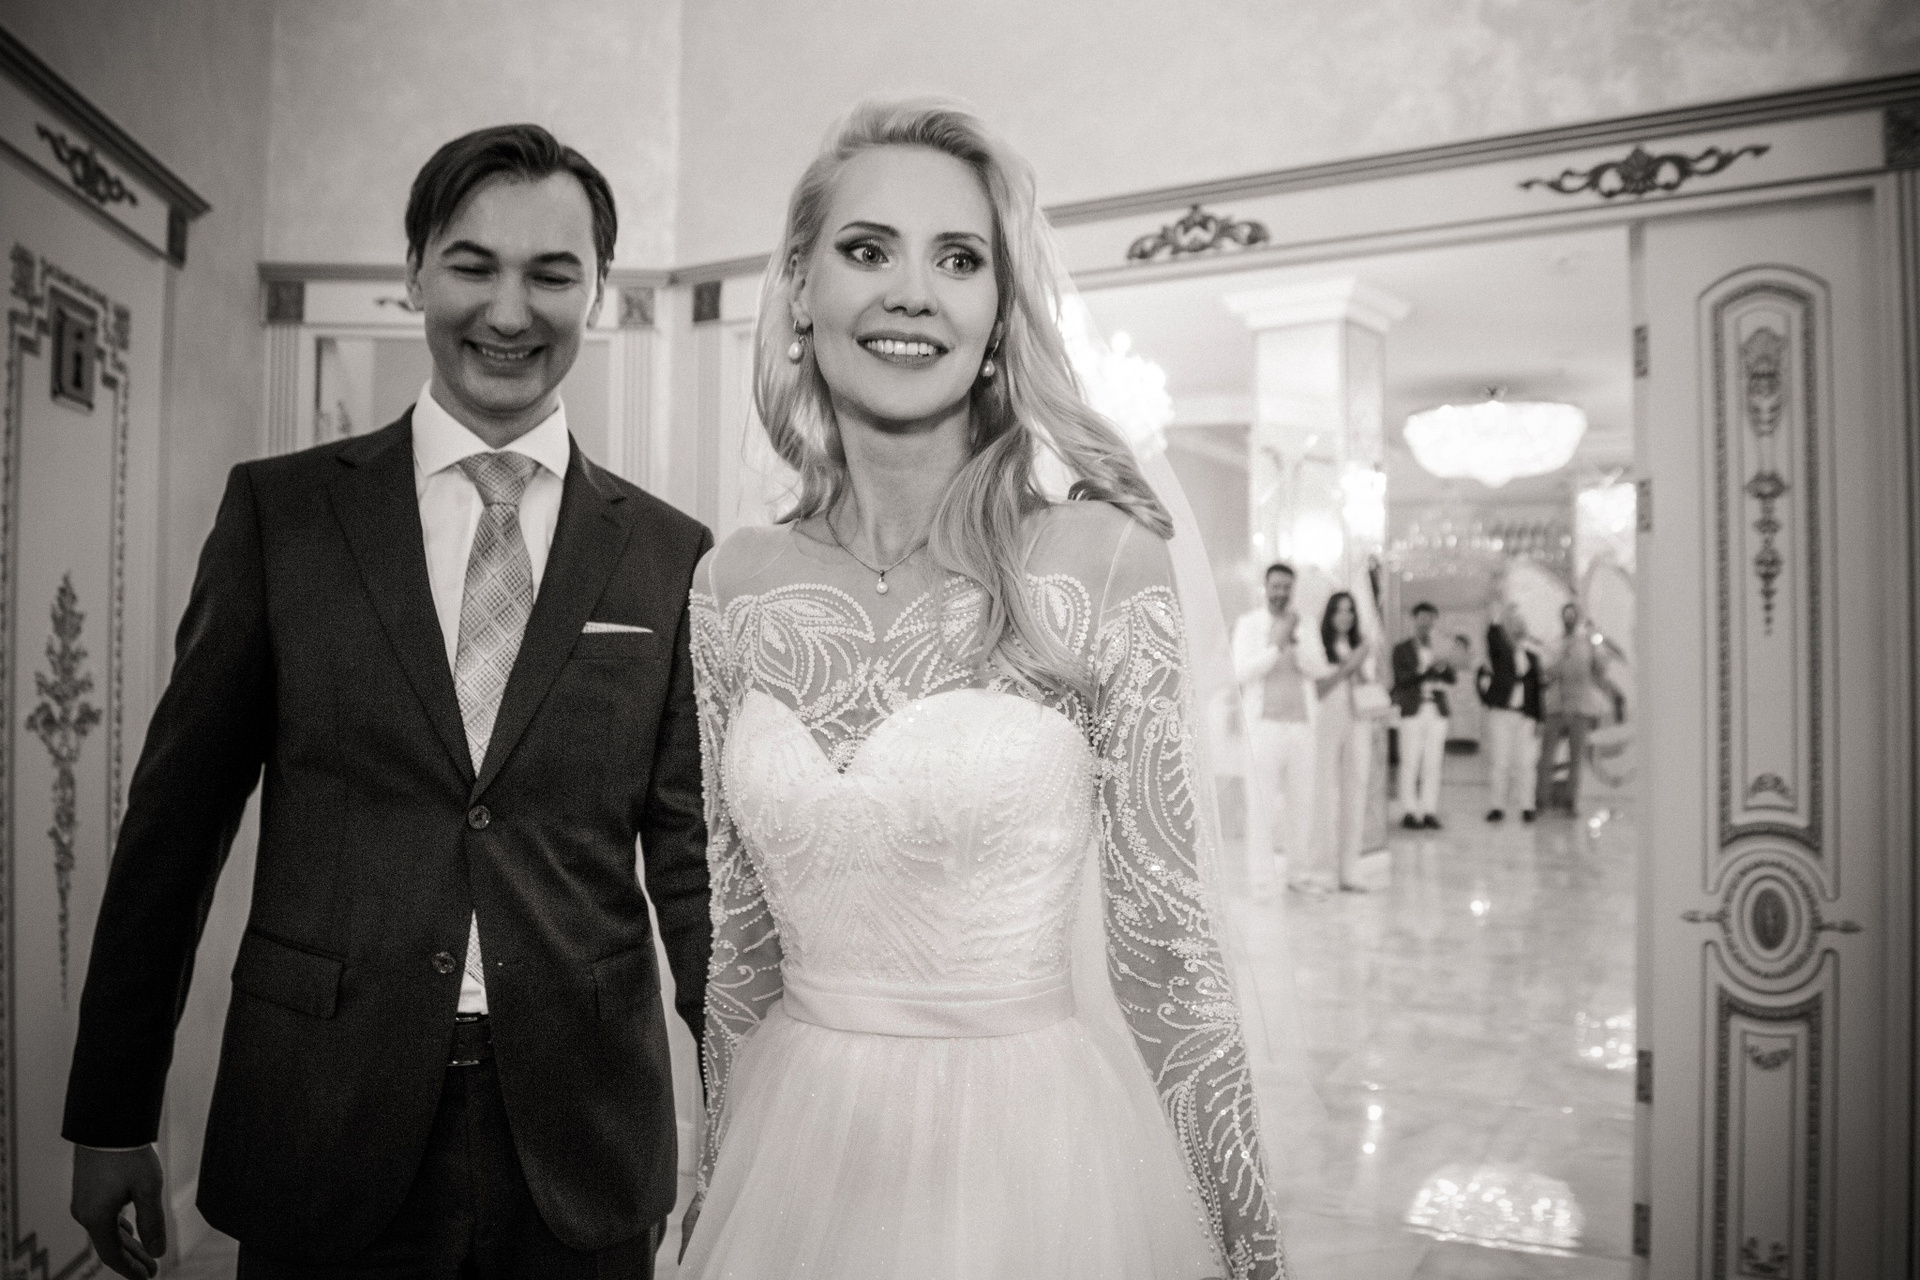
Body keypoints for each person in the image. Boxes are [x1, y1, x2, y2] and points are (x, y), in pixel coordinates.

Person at [63, 126, 711, 1280]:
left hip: (585, 1132)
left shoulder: (670, 553)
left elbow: (694, 865)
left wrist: (754, 1097)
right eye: (472, 264)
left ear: (598, 292)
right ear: (413, 271)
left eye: (551, 273)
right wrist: (111, 1110)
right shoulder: (281, 517)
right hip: (319, 1110)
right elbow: (174, 829)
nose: (508, 310)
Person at [680, 99, 1287, 1278]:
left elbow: (1168, 954)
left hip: (1033, 1174)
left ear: (1000, 311)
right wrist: (717, 1183)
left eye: (958, 259)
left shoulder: (1102, 561)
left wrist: (1247, 1246)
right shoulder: (732, 585)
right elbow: (739, 949)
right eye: (869, 250)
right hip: (793, 1168)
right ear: (800, 286)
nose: (913, 292)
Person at [1232, 562, 1318, 894]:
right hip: (1264, 726)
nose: (1281, 593)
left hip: (1301, 726)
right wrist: (1276, 647)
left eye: (1286, 587)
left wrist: (1297, 640)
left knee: (1302, 805)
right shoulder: (1249, 624)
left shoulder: (1305, 623)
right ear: (1265, 588)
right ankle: (1262, 880)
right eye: (1275, 586)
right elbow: (1241, 672)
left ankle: (1299, 875)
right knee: (1261, 806)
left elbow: (1316, 668)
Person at [1306, 591, 1379, 891]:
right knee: (1324, 793)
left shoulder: (1361, 646)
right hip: (1327, 719)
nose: (1345, 616)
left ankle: (1350, 869)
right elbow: (1317, 689)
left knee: (1356, 789)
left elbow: (1370, 685)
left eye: (1350, 610)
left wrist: (1360, 664)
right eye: (1339, 610)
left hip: (1358, 720)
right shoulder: (1318, 647)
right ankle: (1322, 870)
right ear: (1330, 614)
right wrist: (1348, 666)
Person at [1390, 601, 1456, 830]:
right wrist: (1428, 670)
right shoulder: (1402, 649)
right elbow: (1402, 680)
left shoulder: (1440, 648)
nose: (1426, 624)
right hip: (1412, 710)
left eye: (1430, 619)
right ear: (1414, 620)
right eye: (1422, 618)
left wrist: (1442, 667)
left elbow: (1451, 678)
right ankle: (1409, 810)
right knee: (1409, 761)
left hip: (1436, 710)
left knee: (1433, 762)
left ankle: (1429, 810)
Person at [1481, 603, 1543, 822]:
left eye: (1520, 627)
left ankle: (1527, 805)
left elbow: (1537, 690)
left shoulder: (1532, 657)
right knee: (1500, 761)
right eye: (1513, 627)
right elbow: (1493, 637)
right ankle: (1497, 806)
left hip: (1525, 716)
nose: (1517, 630)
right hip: (1502, 713)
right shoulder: (1501, 653)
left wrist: (1539, 718)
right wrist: (1497, 615)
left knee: (1526, 763)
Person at [1539, 600, 1602, 814]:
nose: (1569, 619)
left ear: (1578, 618)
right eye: (1566, 615)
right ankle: (1542, 800)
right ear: (1561, 618)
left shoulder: (1587, 644)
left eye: (1573, 615)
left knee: (1576, 759)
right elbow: (1546, 672)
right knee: (1546, 757)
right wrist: (1562, 657)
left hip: (1581, 708)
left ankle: (1570, 802)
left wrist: (1596, 646)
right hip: (1555, 707)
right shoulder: (1554, 643)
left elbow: (1599, 670)